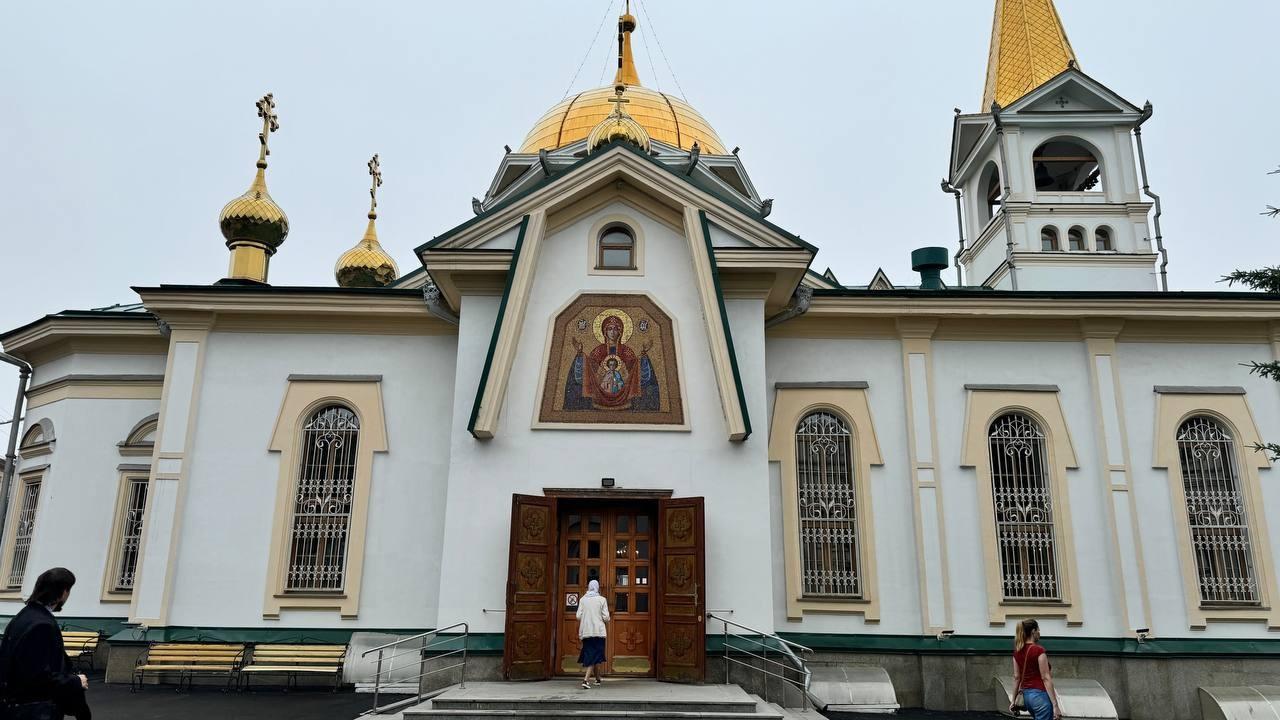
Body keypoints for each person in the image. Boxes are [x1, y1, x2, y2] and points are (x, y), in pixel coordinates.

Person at [0, 567, 90, 720]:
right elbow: (38, 677)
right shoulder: (42, 625)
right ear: (63, 592)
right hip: (34, 710)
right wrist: (76, 681)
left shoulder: (24, 616)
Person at [1011, 618, 1060, 720]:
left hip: (1026, 697)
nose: (1039, 633)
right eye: (1038, 630)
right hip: (1040, 696)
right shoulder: (1038, 650)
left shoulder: (1017, 652)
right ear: (1033, 631)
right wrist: (1055, 705)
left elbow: (1016, 677)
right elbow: (1045, 678)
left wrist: (1013, 701)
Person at [575, 579, 609, 690]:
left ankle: (598, 679)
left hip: (586, 631)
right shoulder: (602, 600)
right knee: (594, 655)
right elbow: (606, 617)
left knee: (594, 655)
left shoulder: (583, 600)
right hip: (598, 631)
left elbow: (578, 616)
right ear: (597, 587)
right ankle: (585, 680)